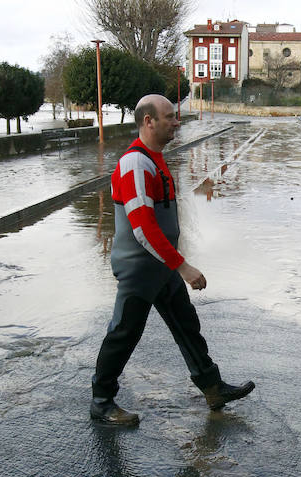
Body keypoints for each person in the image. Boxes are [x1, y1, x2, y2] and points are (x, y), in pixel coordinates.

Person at [90, 94, 255, 426]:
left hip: (161, 267)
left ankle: (213, 388)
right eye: (169, 117)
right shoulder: (135, 163)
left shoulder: (156, 158)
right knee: (124, 333)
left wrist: (172, 265)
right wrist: (183, 266)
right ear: (148, 121)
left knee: (187, 326)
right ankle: (101, 402)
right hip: (139, 269)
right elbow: (143, 228)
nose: (176, 122)